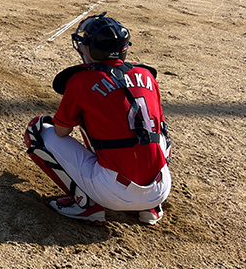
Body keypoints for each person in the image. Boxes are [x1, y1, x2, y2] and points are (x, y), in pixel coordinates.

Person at [24, 12, 172, 226]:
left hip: (111, 190)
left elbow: (61, 132)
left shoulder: (82, 79)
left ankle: (85, 205)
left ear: (92, 49)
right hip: (160, 188)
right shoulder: (147, 75)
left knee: (37, 131)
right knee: (156, 131)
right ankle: (150, 207)